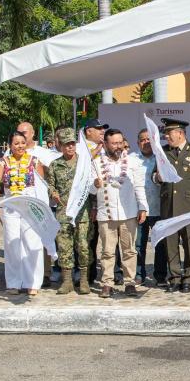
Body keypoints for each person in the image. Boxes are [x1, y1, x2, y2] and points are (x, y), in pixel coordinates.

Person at [92, 128, 148, 298]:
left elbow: (139, 186)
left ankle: (130, 283)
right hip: (106, 213)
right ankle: (107, 283)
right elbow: (89, 190)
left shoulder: (132, 162)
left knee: (129, 250)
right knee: (107, 251)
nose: (118, 146)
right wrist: (94, 185)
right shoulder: (96, 163)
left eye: (120, 142)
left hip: (128, 212)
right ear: (105, 144)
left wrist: (143, 207)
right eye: (114, 143)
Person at [153, 118, 190, 293]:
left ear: (180, 133)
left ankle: (189, 278)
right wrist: (158, 177)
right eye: (165, 134)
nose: (166, 137)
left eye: (169, 133)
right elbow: (154, 176)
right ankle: (175, 277)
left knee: (189, 244)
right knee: (171, 243)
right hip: (168, 205)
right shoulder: (163, 152)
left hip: (189, 206)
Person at [0, 131, 46, 295]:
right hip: (11, 206)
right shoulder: (3, 161)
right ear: (10, 145)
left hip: (29, 205)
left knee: (32, 243)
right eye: (16, 143)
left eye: (22, 142)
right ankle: (14, 283)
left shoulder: (34, 161)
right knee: (12, 243)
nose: (20, 146)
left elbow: (41, 185)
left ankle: (32, 282)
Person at [46, 127, 94, 296]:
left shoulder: (84, 163)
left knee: (83, 245)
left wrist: (94, 207)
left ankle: (84, 280)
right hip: (63, 211)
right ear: (60, 146)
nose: (70, 147)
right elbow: (50, 185)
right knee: (64, 246)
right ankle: (67, 281)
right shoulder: (55, 165)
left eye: (72, 143)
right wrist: (53, 193)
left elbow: (91, 186)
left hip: (82, 212)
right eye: (66, 144)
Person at [17, 121, 60, 289]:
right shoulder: (11, 151)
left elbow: (57, 169)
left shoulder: (43, 153)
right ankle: (23, 273)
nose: (21, 135)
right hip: (19, 203)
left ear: (33, 133)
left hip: (39, 202)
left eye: (25, 132)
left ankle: (45, 273)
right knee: (21, 239)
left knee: (42, 237)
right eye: (19, 132)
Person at [134, 128, 168, 286]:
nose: (146, 142)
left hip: (159, 209)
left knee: (160, 244)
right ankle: (138, 274)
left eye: (149, 139)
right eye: (142, 140)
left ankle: (160, 275)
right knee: (138, 245)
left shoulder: (162, 158)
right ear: (138, 143)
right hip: (138, 210)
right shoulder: (131, 159)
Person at [82, 119, 108, 284]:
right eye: (98, 129)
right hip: (88, 198)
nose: (102, 131)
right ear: (88, 131)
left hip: (105, 198)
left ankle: (111, 273)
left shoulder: (105, 147)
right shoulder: (81, 147)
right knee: (89, 239)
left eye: (103, 129)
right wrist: (98, 149)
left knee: (108, 239)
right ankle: (87, 275)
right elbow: (82, 164)